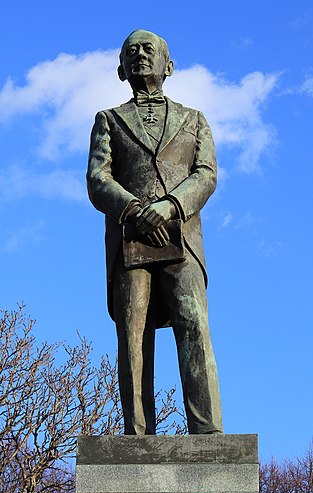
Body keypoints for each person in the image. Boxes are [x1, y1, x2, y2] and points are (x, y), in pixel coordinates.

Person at [87, 29, 223, 435]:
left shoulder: (194, 119)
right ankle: (138, 434)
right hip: (130, 239)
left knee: (193, 325)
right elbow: (98, 178)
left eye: (149, 50)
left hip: (182, 237)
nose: (140, 56)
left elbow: (206, 174)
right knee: (132, 334)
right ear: (120, 68)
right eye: (132, 51)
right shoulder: (108, 120)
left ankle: (207, 432)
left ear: (169, 65)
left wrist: (170, 206)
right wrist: (134, 209)